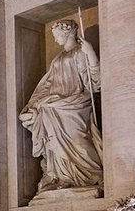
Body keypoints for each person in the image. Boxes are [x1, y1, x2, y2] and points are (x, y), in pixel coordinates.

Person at [20, 18, 103, 193]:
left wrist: (91, 55)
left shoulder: (80, 52)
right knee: (51, 131)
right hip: (54, 103)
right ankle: (62, 176)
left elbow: (94, 82)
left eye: (57, 35)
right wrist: (33, 104)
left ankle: (91, 174)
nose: (56, 39)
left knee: (78, 139)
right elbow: (48, 84)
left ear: (67, 34)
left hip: (75, 103)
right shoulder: (57, 58)